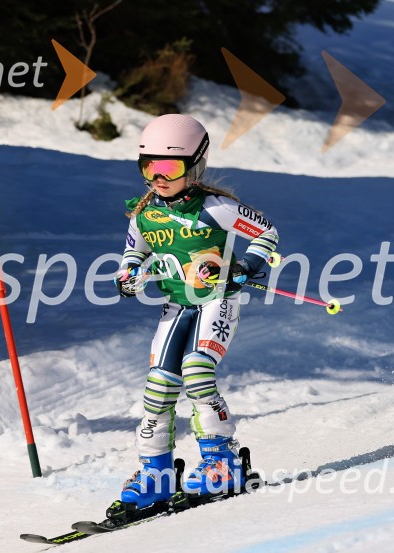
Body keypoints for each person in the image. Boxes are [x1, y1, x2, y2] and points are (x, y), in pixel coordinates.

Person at [115, 113, 278, 509]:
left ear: (196, 165)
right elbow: (135, 251)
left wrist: (241, 268)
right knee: (159, 386)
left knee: (197, 371)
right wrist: (129, 273)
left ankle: (222, 463)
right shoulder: (145, 212)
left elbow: (268, 233)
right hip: (177, 304)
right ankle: (156, 472)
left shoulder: (216, 208)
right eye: (148, 166)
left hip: (217, 300)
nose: (158, 176)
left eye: (169, 167)